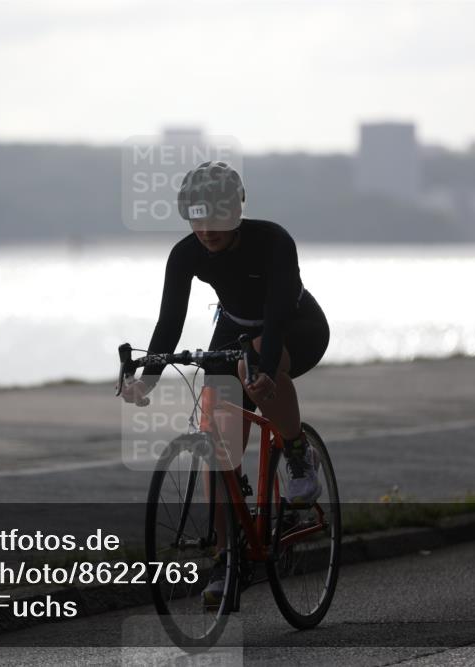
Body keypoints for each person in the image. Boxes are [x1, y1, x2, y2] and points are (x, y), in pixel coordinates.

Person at [118, 160, 331, 607]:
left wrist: (265, 371)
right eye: (197, 217)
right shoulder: (185, 253)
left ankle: (296, 452)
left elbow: (274, 319)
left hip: (295, 326)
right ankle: (227, 557)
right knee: (220, 446)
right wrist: (148, 378)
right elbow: (169, 323)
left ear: (237, 211)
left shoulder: (272, 240)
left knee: (254, 363)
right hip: (235, 329)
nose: (206, 229)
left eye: (217, 217)